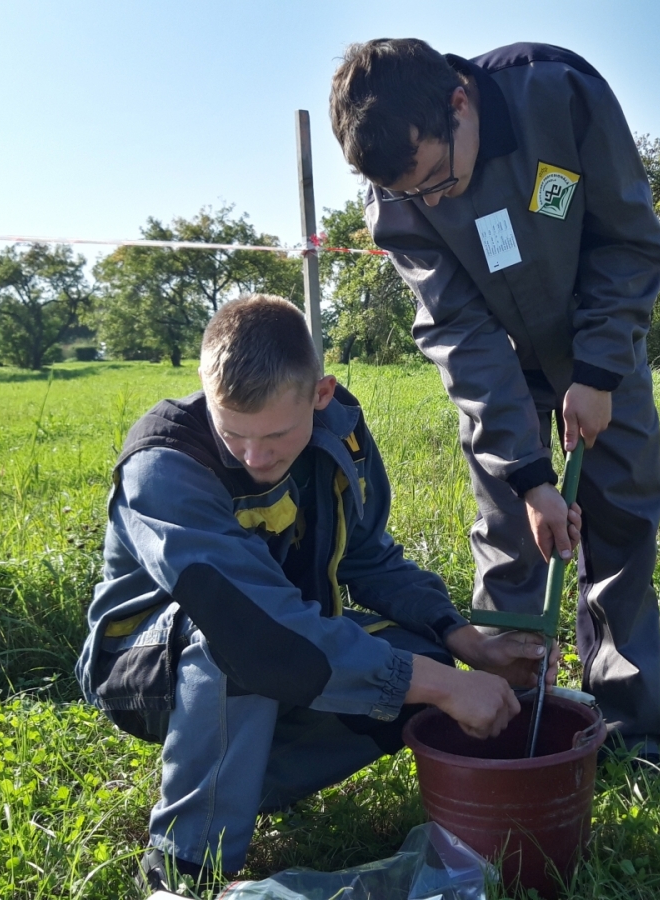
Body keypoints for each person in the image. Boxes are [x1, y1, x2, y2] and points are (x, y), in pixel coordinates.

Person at [74, 294, 567, 890]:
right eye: (234, 433)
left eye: (277, 435)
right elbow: (255, 627)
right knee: (240, 646)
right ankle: (187, 864)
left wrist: (465, 645)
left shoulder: (339, 435)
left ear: (321, 394)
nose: (255, 457)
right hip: (149, 664)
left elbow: (368, 557)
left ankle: (250, 778)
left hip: (281, 637)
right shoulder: (165, 465)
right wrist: (447, 689)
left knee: (425, 657)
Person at [329, 39, 660, 761]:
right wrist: (530, 476)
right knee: (511, 537)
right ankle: (512, 723)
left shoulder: (559, 95)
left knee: (621, 532)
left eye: (435, 179)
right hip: (500, 368)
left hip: (598, 344)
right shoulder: (397, 191)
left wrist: (601, 371)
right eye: (409, 195)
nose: (430, 201)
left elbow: (627, 239)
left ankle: (629, 732)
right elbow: (458, 328)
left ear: (460, 101)